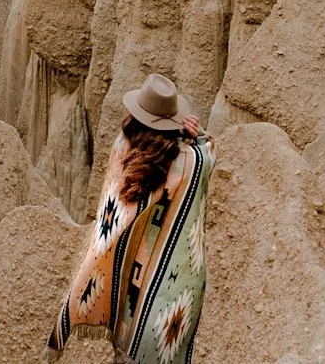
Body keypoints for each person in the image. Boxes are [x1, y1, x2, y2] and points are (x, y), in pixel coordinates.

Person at [47, 74, 211, 364]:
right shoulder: (192, 164)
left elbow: (109, 225)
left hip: (124, 300)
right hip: (166, 308)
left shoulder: (122, 149)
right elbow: (210, 151)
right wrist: (196, 135)